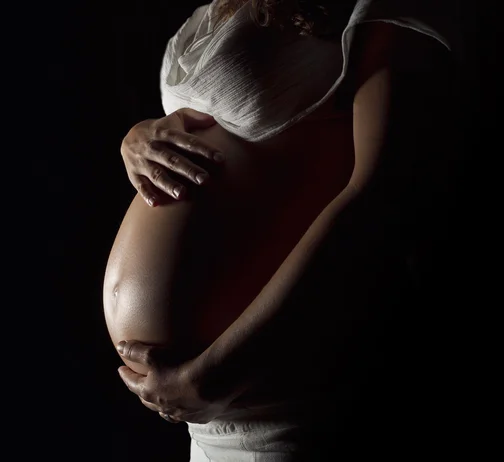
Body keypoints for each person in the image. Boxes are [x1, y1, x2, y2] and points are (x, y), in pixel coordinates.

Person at [106, 0, 463, 459]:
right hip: (207, 416)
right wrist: (136, 137)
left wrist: (212, 376)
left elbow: (379, 199)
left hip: (280, 394)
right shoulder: (224, 7)